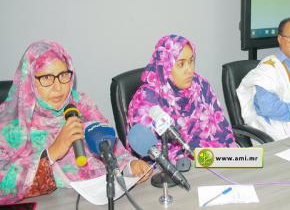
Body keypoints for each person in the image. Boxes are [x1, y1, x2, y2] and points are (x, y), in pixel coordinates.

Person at [0, 41, 151, 204]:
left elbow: (114, 152)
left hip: (103, 200)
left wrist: (131, 167)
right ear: (29, 80)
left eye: (63, 75)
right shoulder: (10, 124)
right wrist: (52, 153)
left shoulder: (82, 106)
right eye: (46, 78)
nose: (58, 87)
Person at [128, 35, 237, 163]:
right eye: (181, 64)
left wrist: (238, 159)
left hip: (213, 161)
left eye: (191, 61)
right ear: (166, 65)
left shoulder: (200, 85)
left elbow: (222, 132)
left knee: (255, 164)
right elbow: (149, 157)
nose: (189, 70)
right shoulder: (145, 101)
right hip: (170, 173)